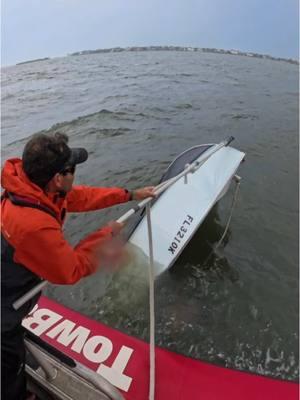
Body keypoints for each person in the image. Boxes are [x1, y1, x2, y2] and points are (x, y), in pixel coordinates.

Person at [1, 132, 155, 400]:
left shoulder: (33, 188)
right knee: (10, 363)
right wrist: (107, 234)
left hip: (11, 283)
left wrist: (129, 194)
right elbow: (70, 270)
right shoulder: (33, 225)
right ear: (58, 178)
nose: (75, 175)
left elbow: (80, 197)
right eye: (72, 169)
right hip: (4, 305)